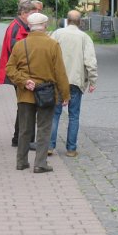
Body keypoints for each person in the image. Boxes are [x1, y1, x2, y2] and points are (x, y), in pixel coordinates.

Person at [6, 12, 70, 173]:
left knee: (25, 129)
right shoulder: (53, 45)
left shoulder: (20, 45)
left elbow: (9, 69)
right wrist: (65, 94)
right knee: (44, 128)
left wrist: (23, 80)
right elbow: (60, 72)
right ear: (45, 26)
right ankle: (40, 163)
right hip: (47, 93)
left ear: (29, 26)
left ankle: (21, 161)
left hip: (25, 93)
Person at [49, 10, 97, 157]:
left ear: (67, 20)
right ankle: (71, 149)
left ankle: (49, 146)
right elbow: (90, 61)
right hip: (76, 80)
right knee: (74, 115)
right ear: (80, 22)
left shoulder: (56, 34)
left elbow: (48, 54)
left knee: (54, 114)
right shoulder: (84, 37)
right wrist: (93, 80)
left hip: (57, 80)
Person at [0, 0, 35, 146]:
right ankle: (22, 139)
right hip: (19, 74)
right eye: (33, 13)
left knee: (24, 106)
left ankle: (19, 138)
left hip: (19, 73)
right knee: (25, 106)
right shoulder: (16, 28)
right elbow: (17, 52)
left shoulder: (19, 25)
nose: (34, 16)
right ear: (24, 14)